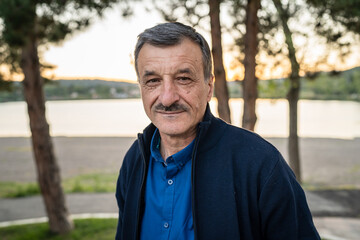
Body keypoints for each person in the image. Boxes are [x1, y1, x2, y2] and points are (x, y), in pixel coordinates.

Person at [115, 22, 320, 240]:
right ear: (141, 88)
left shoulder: (261, 164)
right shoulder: (135, 160)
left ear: (209, 88)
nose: (167, 98)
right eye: (153, 81)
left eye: (184, 79)